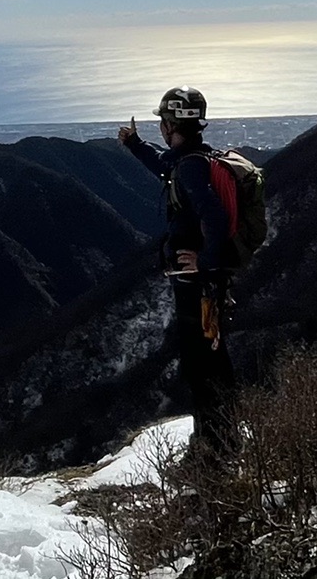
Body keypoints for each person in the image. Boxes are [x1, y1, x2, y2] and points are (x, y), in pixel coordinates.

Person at [118, 86, 239, 467]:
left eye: (163, 122)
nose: (161, 128)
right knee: (210, 360)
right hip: (205, 279)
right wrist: (135, 144)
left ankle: (215, 448)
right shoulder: (190, 160)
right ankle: (220, 439)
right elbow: (163, 164)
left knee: (202, 364)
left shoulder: (190, 166)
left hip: (198, 282)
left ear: (171, 123)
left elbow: (215, 216)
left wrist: (203, 261)